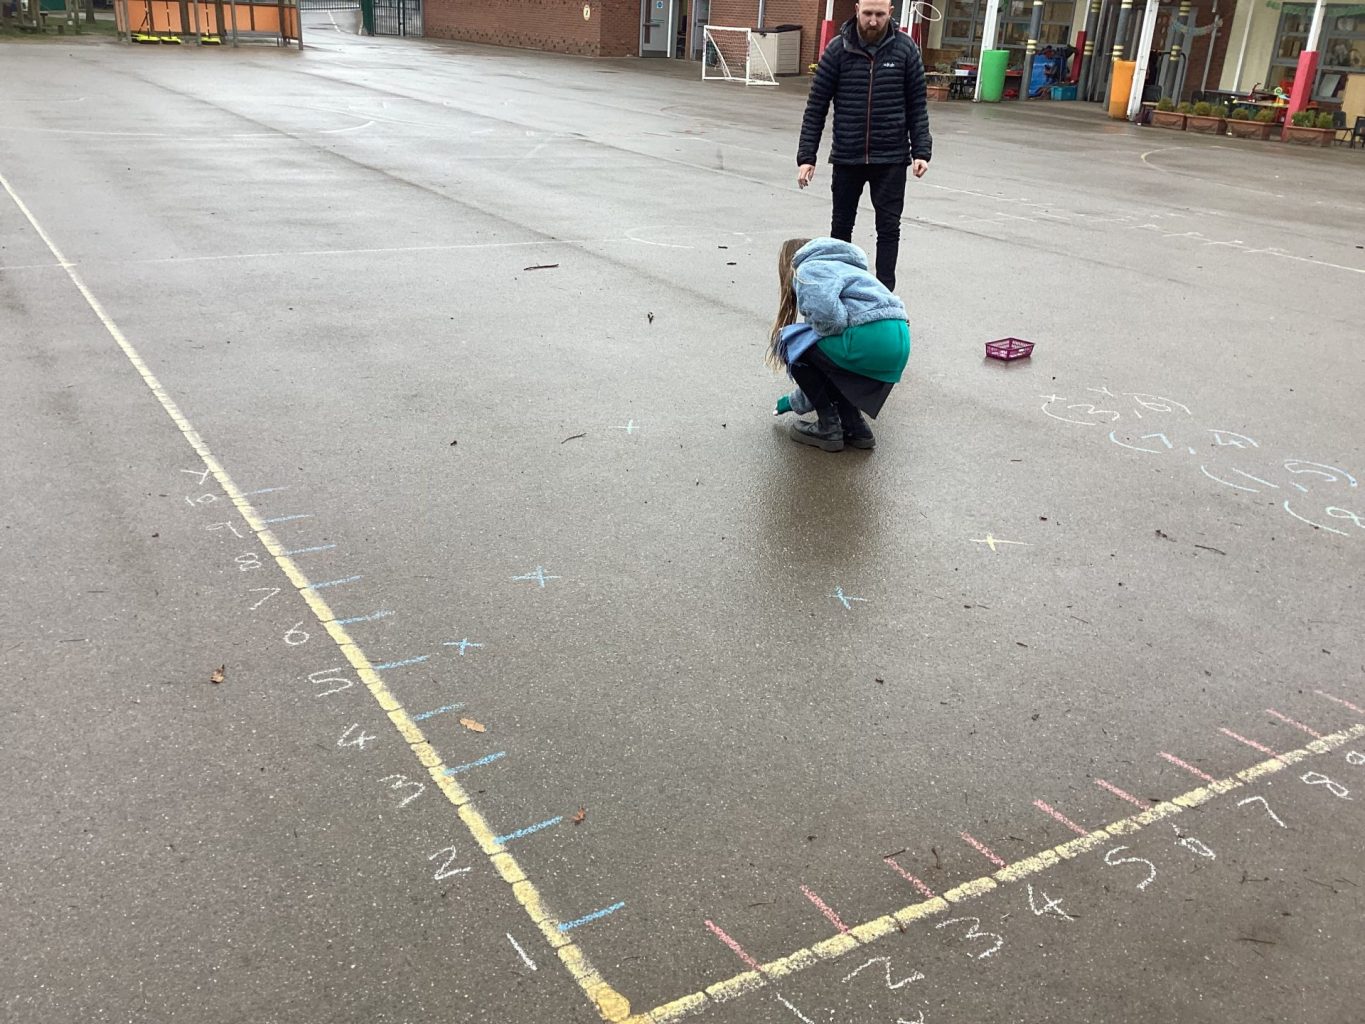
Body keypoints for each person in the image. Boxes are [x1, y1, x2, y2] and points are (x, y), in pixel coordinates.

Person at [796, 0, 932, 292]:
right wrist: (807, 156)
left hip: (891, 157)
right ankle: (840, 289)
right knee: (841, 228)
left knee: (888, 229)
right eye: (867, 13)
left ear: (890, 13)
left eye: (879, 15)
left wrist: (921, 151)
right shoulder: (837, 50)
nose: (873, 21)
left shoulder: (906, 50)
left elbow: (917, 105)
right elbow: (816, 107)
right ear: (857, 9)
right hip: (848, 156)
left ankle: (884, 296)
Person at [769, 237, 910, 452]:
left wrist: (796, 401)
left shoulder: (808, 269)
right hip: (898, 342)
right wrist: (794, 401)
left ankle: (828, 427)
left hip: (870, 339)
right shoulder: (847, 266)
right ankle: (855, 426)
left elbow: (830, 320)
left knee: (789, 342)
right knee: (828, 356)